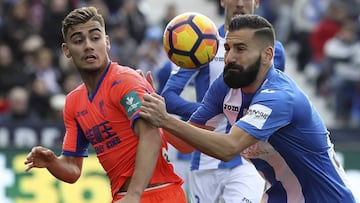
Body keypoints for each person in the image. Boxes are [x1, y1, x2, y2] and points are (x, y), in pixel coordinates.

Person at [140, 14, 356, 202]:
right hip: (279, 197)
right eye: (227, 48)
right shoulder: (225, 86)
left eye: (240, 49)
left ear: (268, 55)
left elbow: (228, 148)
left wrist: (165, 119)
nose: (230, 57)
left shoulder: (280, 97)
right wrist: (149, 110)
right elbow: (186, 145)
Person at [23, 6, 186, 203]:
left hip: (159, 193)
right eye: (78, 40)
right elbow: (73, 169)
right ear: (67, 50)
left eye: (95, 37)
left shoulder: (125, 81)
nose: (88, 46)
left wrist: (134, 194)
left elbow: (151, 135)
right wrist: (52, 162)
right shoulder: (74, 102)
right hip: (123, 197)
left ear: (107, 42)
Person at [159, 0, 285, 202]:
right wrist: (215, 110)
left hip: (247, 158)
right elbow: (169, 96)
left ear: (257, 2)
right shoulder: (202, 42)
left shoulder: (272, 50)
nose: (240, 3)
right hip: (204, 158)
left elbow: (271, 102)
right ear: (223, 1)